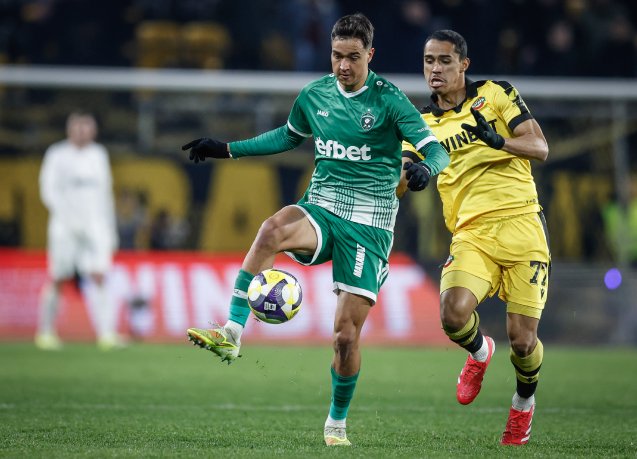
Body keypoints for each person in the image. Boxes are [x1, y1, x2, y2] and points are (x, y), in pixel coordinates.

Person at [182, 13, 449, 447]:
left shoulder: (390, 100)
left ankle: (336, 424)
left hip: (368, 225)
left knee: (344, 337)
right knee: (272, 229)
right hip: (322, 206)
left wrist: (425, 169)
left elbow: (437, 151)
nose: (343, 65)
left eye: (353, 57)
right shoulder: (314, 95)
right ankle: (231, 333)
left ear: (370, 55)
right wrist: (227, 149)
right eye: (337, 55)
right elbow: (287, 137)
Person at [401, 30, 550, 446]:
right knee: (452, 314)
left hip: (523, 224)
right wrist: (412, 175)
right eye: (429, 61)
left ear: (463, 64)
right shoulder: (418, 123)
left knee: (523, 342)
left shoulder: (496, 93)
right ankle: (480, 352)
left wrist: (499, 141)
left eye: (444, 61)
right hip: (472, 232)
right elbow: (402, 175)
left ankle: (522, 404)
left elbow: (540, 147)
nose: (435, 69)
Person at [36, 111, 122, 351]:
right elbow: (48, 191)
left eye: (87, 127)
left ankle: (107, 334)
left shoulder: (99, 154)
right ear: (69, 129)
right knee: (58, 277)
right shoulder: (57, 154)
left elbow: (105, 194)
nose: (82, 132)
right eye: (78, 127)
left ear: (94, 130)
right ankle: (45, 332)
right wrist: (66, 217)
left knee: (100, 275)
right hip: (64, 226)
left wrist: (109, 228)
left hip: (95, 226)